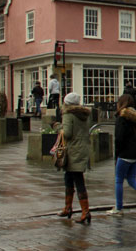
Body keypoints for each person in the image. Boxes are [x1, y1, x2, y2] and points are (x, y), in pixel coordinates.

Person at [57, 92, 93, 224]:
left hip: (72, 150)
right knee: (70, 177)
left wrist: (57, 127)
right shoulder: (85, 114)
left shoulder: (68, 114)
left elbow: (67, 133)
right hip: (82, 149)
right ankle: (69, 208)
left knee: (77, 181)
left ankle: (85, 211)